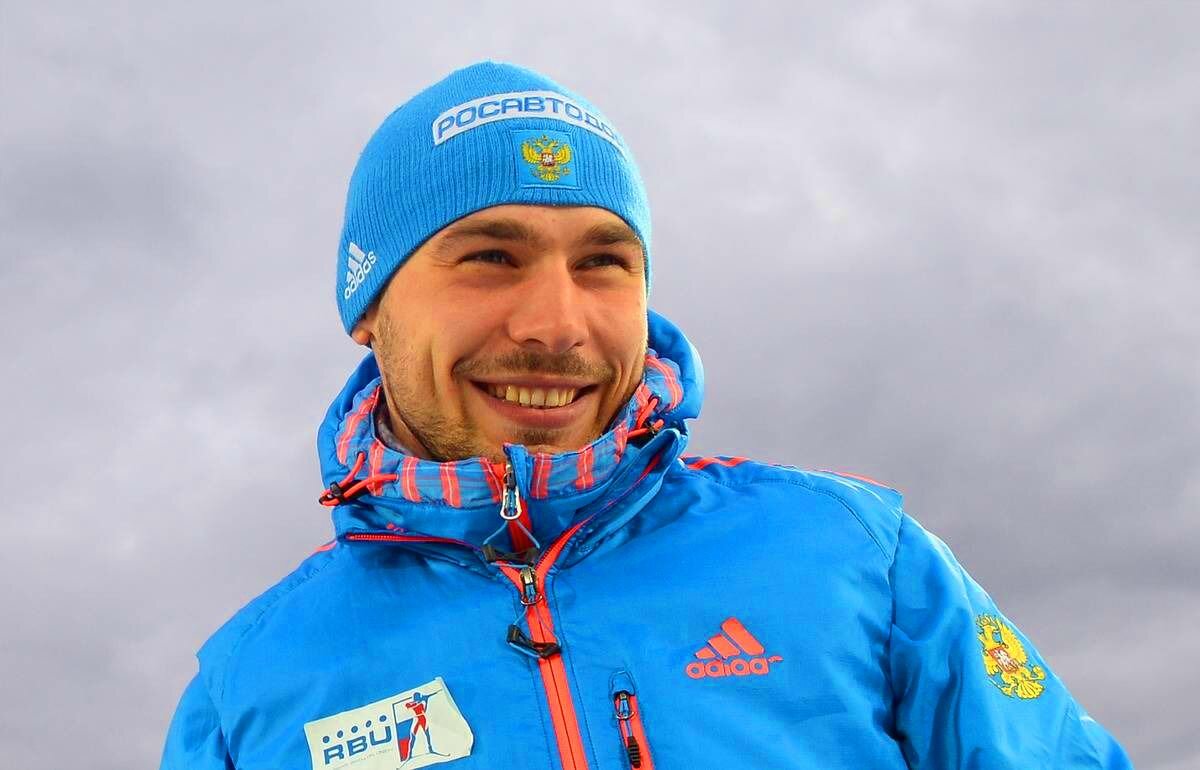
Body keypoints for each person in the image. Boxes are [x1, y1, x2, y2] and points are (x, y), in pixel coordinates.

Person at [160, 60, 1133, 770]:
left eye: (603, 262)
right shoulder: (250, 689)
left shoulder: (861, 562)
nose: (556, 323)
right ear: (369, 308)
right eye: (491, 256)